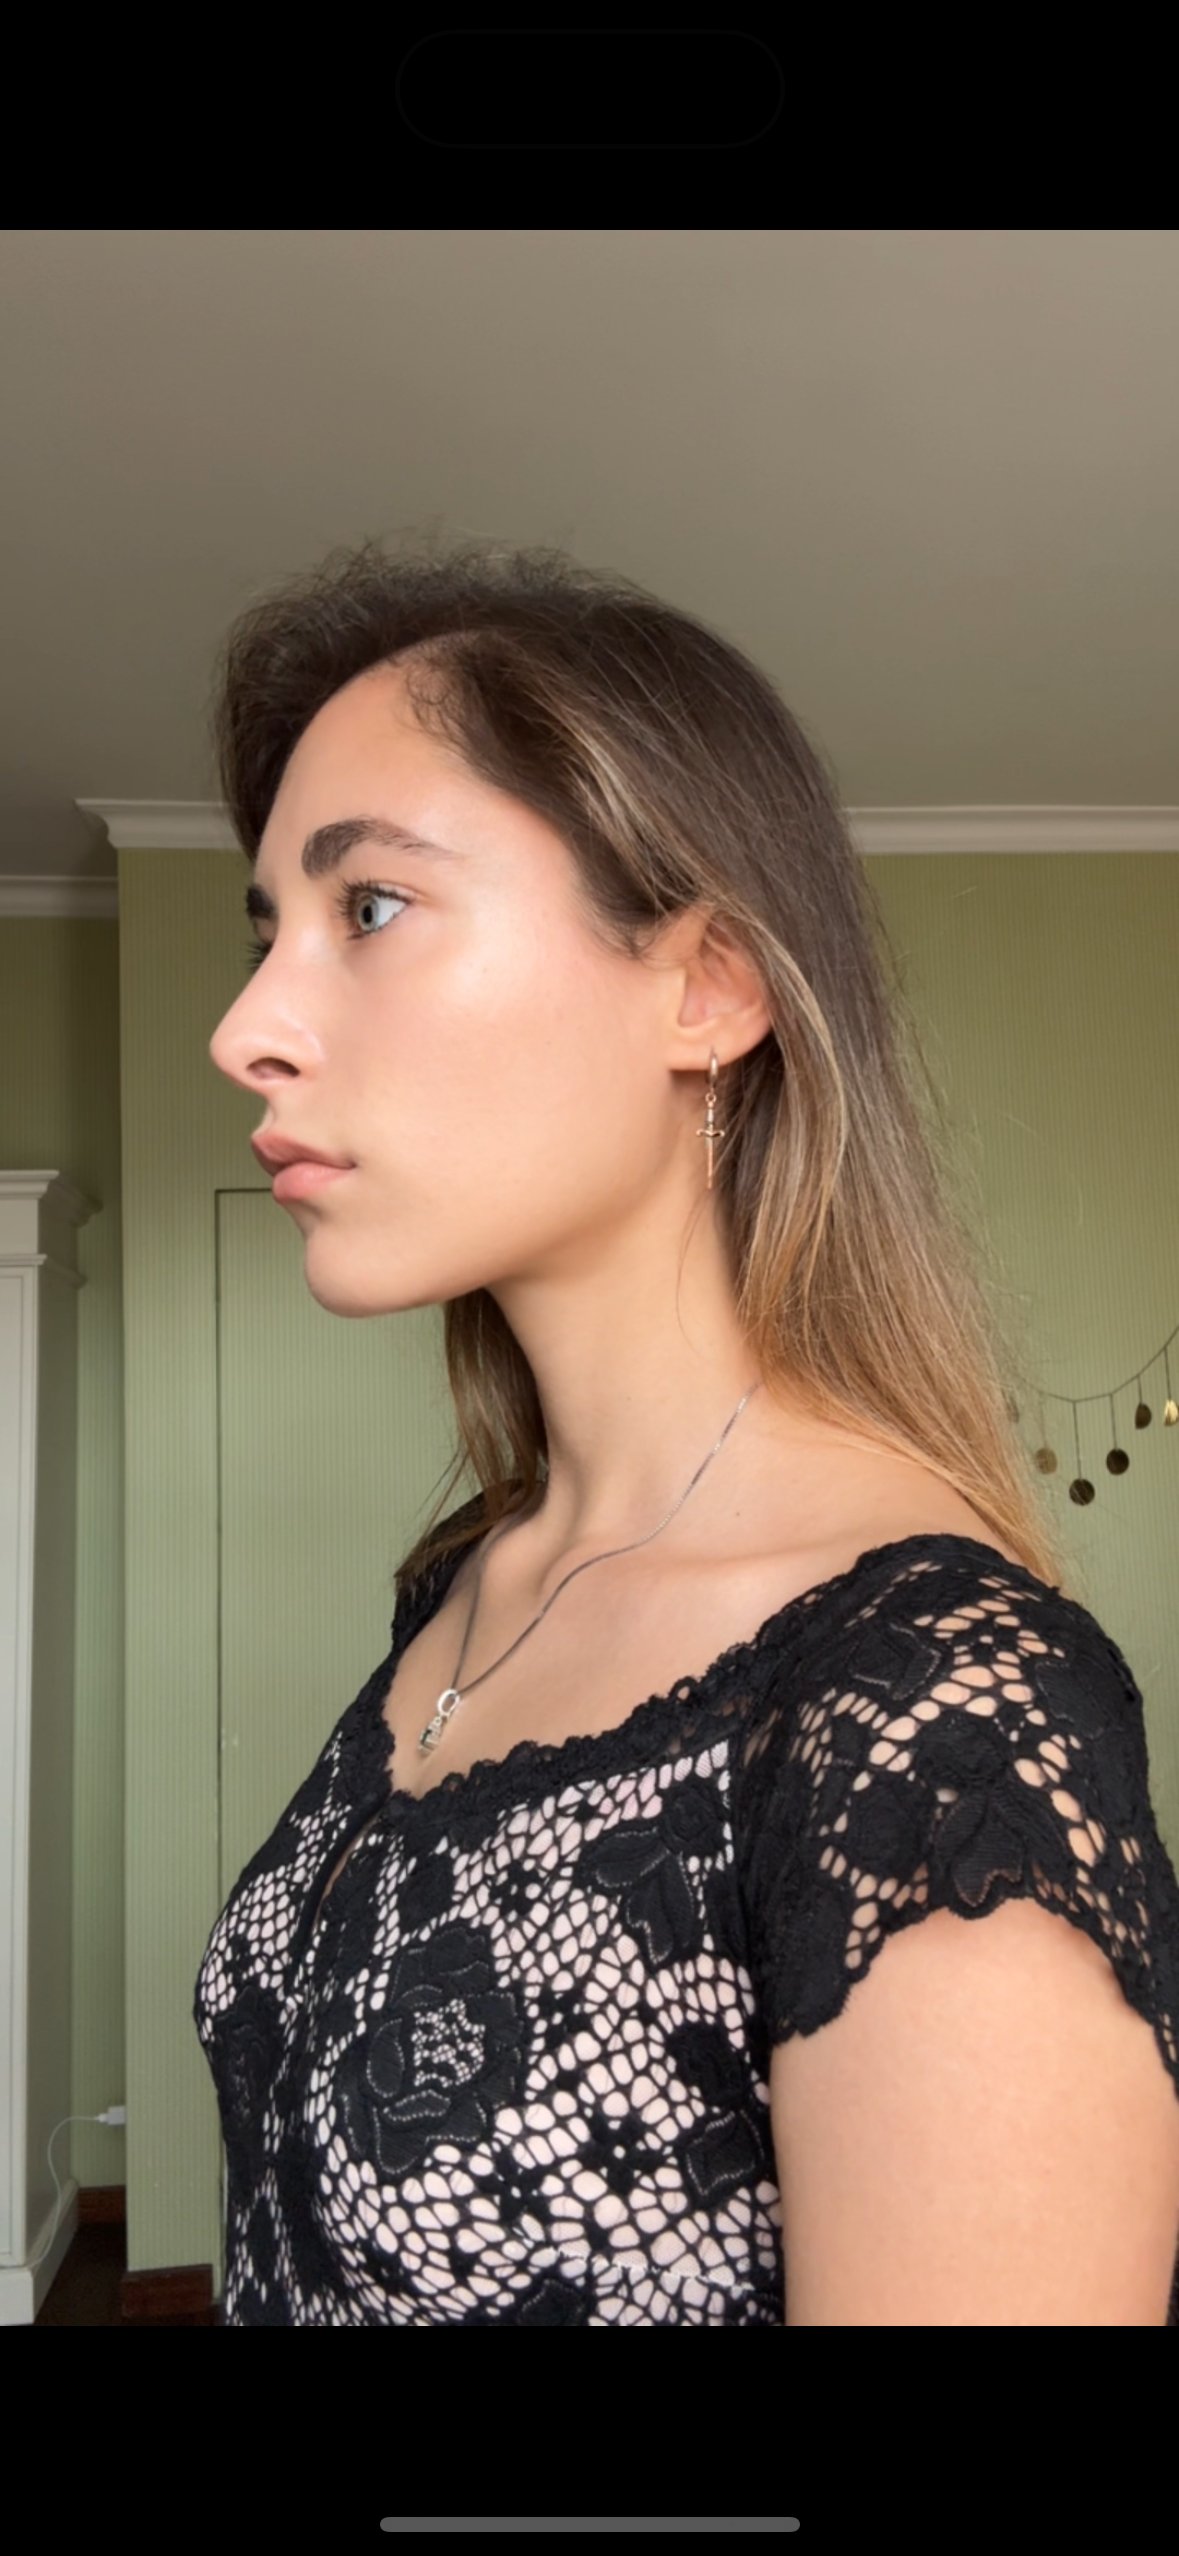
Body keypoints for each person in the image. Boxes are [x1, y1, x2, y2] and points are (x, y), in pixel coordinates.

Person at [197, 538, 1179, 2325]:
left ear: (708, 985)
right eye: (266, 935)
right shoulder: (471, 1579)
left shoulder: (929, 1709)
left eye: (373, 908)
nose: (247, 1028)